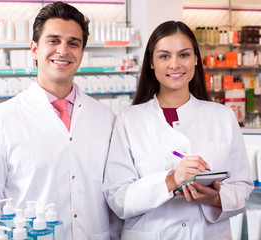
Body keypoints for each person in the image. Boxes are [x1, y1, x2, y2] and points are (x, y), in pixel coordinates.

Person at [0, 1, 122, 239]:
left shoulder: (106, 119)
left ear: (81, 53)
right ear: (34, 49)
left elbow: (114, 200)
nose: (63, 50)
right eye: (53, 40)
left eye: (73, 43)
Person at [103, 21, 253, 239]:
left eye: (183, 55)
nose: (175, 64)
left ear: (195, 60)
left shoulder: (222, 116)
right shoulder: (129, 119)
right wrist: (171, 181)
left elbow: (242, 187)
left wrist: (215, 198)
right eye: (164, 56)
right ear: (152, 63)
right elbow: (118, 198)